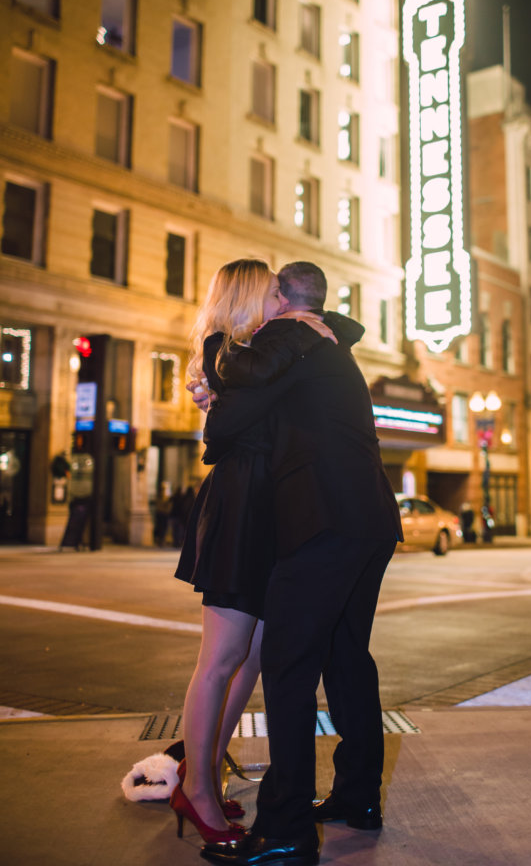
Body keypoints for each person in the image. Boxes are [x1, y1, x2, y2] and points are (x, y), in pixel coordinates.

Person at [197, 261, 403, 866]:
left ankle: (285, 828)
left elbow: (226, 427)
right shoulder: (326, 341)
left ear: (283, 300)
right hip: (369, 516)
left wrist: (214, 356)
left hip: (324, 520)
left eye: (268, 294)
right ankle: (358, 797)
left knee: (287, 665)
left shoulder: (290, 334)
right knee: (346, 657)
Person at [173, 259, 334, 844]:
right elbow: (224, 428)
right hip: (240, 505)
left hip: (270, 508)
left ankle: (204, 774)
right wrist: (302, 336)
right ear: (246, 299)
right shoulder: (228, 353)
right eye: (272, 293)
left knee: (254, 655)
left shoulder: (259, 352)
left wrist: (304, 333)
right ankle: (196, 792)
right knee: (221, 657)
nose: (282, 302)